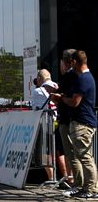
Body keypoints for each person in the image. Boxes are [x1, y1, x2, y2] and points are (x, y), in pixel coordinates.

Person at [51, 50, 98, 199]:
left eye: (72, 63)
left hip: (83, 123)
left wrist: (62, 99)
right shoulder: (85, 78)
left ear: (76, 62)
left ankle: (91, 189)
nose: (70, 66)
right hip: (82, 122)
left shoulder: (83, 79)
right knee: (82, 156)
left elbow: (75, 102)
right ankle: (85, 187)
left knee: (85, 157)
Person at [31, 69, 58, 182]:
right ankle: (67, 178)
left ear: (39, 79)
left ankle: (51, 177)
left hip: (46, 123)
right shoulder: (57, 86)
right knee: (59, 151)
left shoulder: (38, 91)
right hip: (58, 121)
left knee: (46, 151)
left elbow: (35, 109)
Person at [55, 49, 77, 190]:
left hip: (68, 120)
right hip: (67, 119)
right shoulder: (72, 77)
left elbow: (68, 98)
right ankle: (71, 179)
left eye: (62, 61)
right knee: (68, 152)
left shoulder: (70, 77)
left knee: (71, 153)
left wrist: (58, 97)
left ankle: (74, 181)